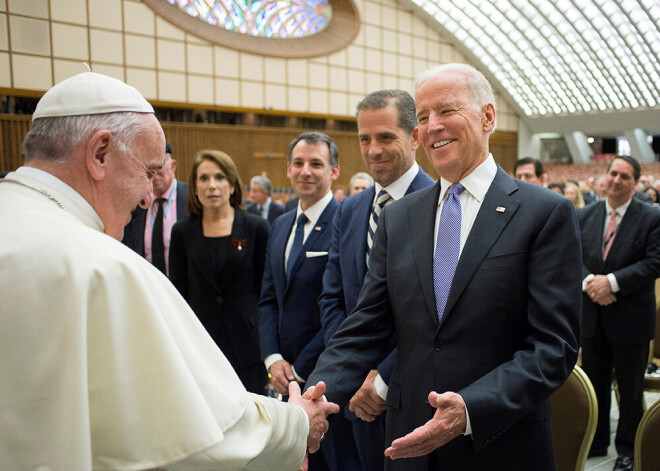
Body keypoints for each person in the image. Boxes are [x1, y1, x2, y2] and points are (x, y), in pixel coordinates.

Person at [0, 71, 338, 470]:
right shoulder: (101, 266)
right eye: (147, 172)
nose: (148, 198)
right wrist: (297, 425)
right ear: (99, 154)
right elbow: (193, 438)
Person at [306, 63, 582, 471]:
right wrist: (314, 393)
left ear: (487, 117)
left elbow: (553, 347)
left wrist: (470, 408)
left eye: (447, 111)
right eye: (422, 117)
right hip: (408, 442)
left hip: (500, 444)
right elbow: (367, 322)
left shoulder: (544, 213)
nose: (431, 126)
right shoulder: (399, 219)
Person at [319, 89, 434, 471]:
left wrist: (382, 375)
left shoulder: (441, 204)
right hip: (354, 398)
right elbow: (334, 299)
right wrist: (354, 370)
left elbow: (439, 312)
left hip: (414, 392)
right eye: (365, 139)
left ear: (414, 137)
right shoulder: (349, 210)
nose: (373, 150)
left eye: (386, 137)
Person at [258, 132, 354, 470]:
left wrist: (299, 368)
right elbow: (269, 299)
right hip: (282, 376)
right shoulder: (281, 224)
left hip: (324, 374)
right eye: (298, 163)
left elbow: (342, 307)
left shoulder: (346, 222)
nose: (306, 171)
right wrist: (272, 359)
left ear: (334, 171)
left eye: (316, 164)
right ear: (287, 169)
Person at [578, 155, 660, 471]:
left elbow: (654, 262)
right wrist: (590, 282)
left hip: (631, 318)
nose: (616, 180)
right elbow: (570, 254)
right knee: (595, 386)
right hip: (593, 316)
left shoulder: (650, 217)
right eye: (613, 173)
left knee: (630, 390)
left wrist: (611, 283)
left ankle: (628, 450)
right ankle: (596, 441)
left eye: (625, 176)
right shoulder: (585, 214)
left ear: (635, 183)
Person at [169, 150, 270, 394]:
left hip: (247, 346)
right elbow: (178, 295)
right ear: (194, 187)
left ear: (233, 184)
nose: (212, 185)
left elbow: (265, 294)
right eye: (203, 179)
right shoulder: (182, 232)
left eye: (219, 177)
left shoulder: (257, 228)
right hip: (201, 346)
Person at [122, 141, 188, 276]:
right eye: (147, 167)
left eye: (159, 165)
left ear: (173, 166)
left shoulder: (191, 200)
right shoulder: (135, 204)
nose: (154, 173)